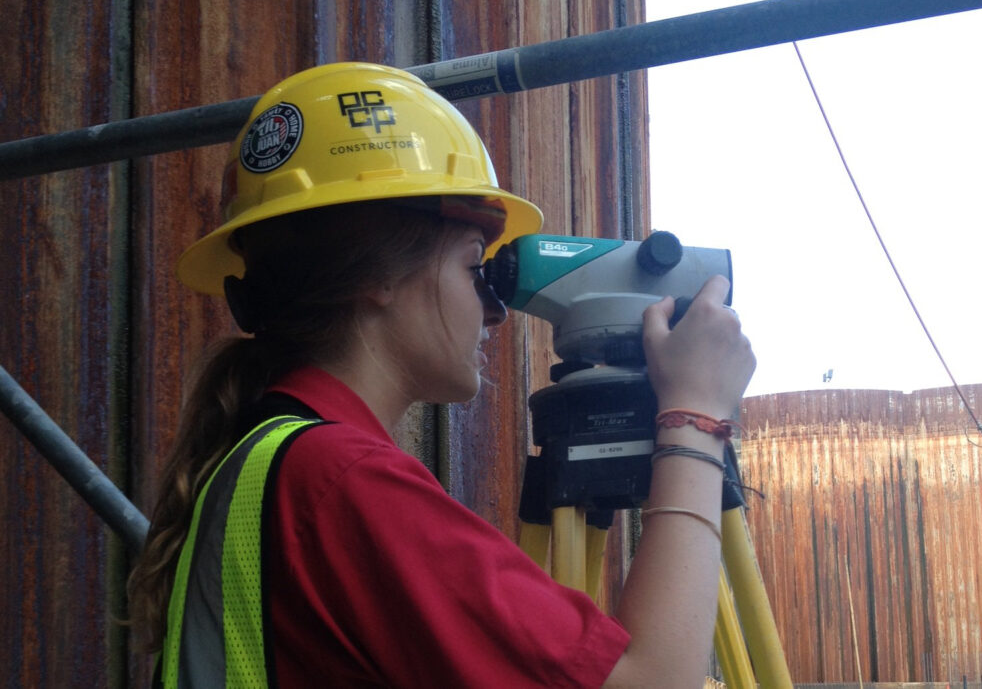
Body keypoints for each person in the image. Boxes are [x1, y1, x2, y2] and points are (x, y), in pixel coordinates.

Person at [128, 62, 756, 688]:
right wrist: (695, 417)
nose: (495, 310)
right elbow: (654, 681)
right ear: (377, 274)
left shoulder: (258, 461)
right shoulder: (340, 482)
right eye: (470, 267)